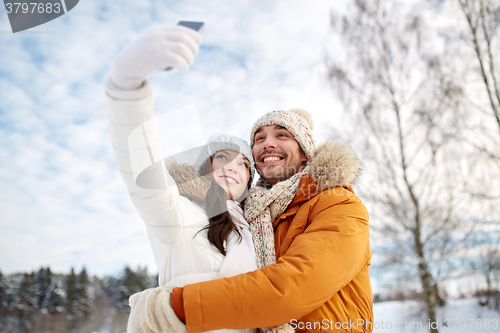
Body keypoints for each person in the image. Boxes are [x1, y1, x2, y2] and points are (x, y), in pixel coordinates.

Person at [117, 25, 373, 333]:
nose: (267, 143)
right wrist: (127, 89)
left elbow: (292, 288)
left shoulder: (337, 204)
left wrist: (177, 307)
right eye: (260, 137)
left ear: (305, 153)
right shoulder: (242, 216)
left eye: (282, 135)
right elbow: (145, 175)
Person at [105, 26, 263, 333]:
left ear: (249, 179)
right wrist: (126, 87)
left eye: (243, 164)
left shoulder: (258, 231)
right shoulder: (177, 212)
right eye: (221, 158)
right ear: (206, 169)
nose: (232, 167)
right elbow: (141, 170)